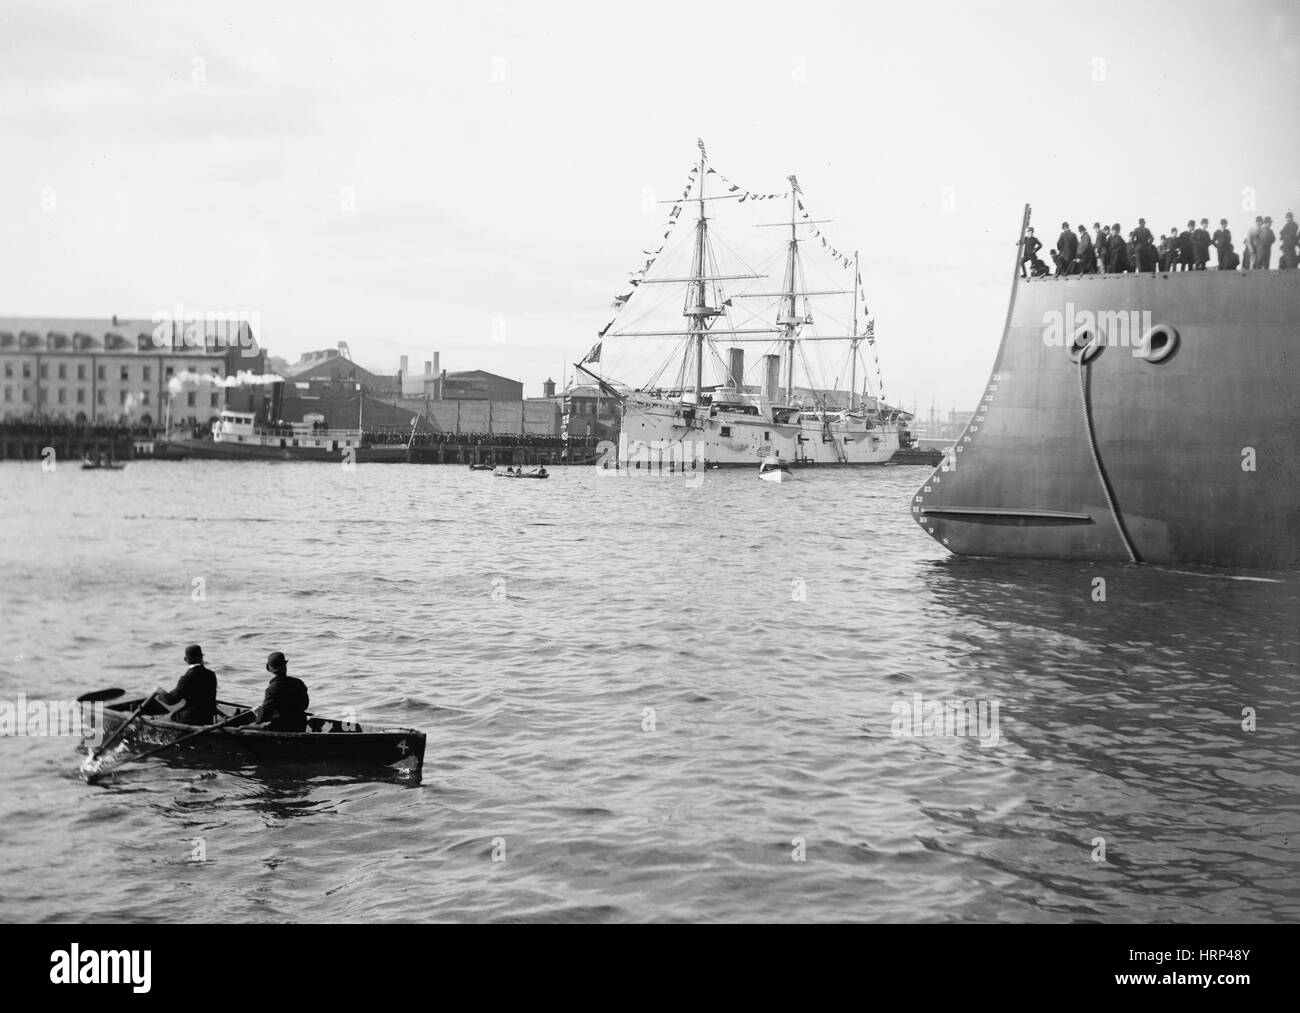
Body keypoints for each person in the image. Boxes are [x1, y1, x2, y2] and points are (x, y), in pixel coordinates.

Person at [154, 644, 218, 725]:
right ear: (201, 657)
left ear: (185, 659)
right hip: (208, 719)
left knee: (166, 719)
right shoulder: (211, 674)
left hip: (191, 718)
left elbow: (171, 700)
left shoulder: (186, 678)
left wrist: (160, 693)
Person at [251, 651, 310, 732]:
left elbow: (265, 714)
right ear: (285, 666)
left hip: (281, 727)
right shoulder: (299, 683)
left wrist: (257, 718)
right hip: (300, 726)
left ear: (271, 669)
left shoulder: (272, 688)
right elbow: (305, 705)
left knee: (242, 728)